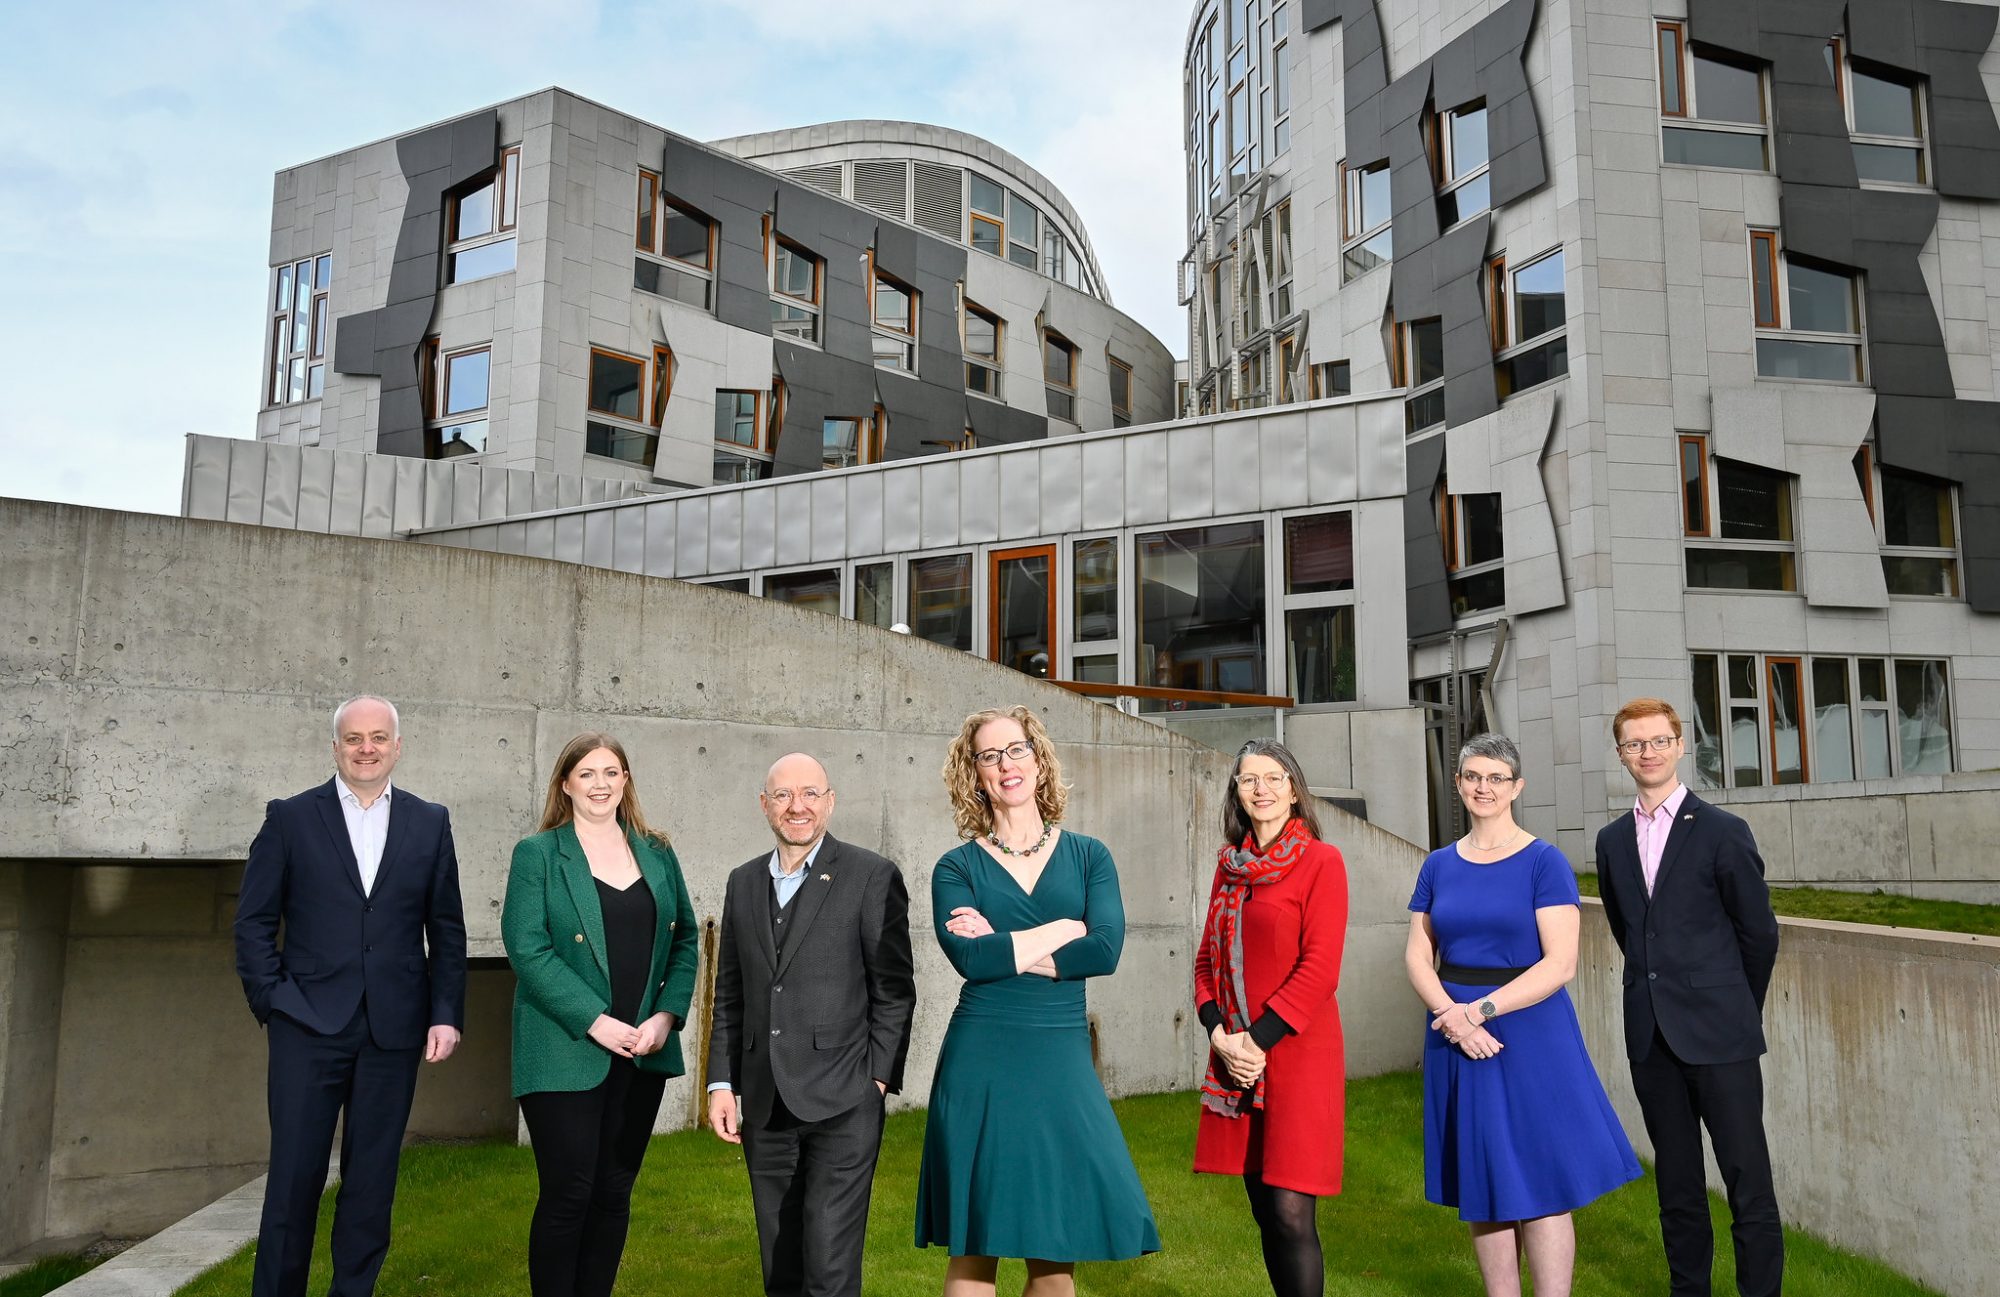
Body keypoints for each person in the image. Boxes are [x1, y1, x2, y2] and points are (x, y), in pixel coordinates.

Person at [917, 705, 1159, 1296]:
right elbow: (972, 960)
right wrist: (1064, 929)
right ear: (974, 774)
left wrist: (1009, 946)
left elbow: (1105, 952)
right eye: (990, 756)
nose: (1006, 765)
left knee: (1055, 1248)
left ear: (1039, 760)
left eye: (1017, 749)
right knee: (977, 1246)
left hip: (1058, 1055)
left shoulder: (1089, 855)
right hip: (983, 1056)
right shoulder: (956, 866)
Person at [233, 694, 467, 1297]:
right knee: (293, 1179)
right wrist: (273, 1000)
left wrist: (445, 1015)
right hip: (306, 1026)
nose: (367, 748)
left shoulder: (429, 820)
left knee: (371, 1183)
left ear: (397, 746)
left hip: (393, 1029)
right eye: (355, 738)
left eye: (379, 738)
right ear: (334, 746)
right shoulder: (289, 817)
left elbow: (445, 928)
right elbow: (254, 921)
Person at [1405, 731, 1639, 1297]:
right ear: (1459, 784)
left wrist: (1479, 1012)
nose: (1484, 787)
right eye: (1473, 777)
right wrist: (1452, 1017)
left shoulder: (1544, 861)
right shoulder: (1437, 865)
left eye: (1496, 778)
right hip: (1453, 1029)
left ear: (1517, 787)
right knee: (1481, 1177)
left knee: (1541, 1176)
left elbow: (1560, 963)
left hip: (1528, 1028)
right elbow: (1417, 953)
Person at [706, 752, 917, 1297]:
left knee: (829, 1266)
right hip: (763, 1099)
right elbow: (729, 991)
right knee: (781, 1268)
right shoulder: (742, 881)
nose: (796, 807)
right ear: (764, 804)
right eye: (782, 795)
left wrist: (875, 1081)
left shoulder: (872, 876)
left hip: (845, 1100)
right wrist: (721, 1081)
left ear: (829, 801)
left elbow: (893, 989)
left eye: (809, 794)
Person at [1595, 699, 1782, 1297]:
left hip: (1721, 1037)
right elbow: (1631, 933)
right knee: (1676, 1189)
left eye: (1657, 741)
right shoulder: (1612, 840)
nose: (1646, 753)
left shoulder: (1724, 831)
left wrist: (1732, 1006)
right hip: (1652, 1041)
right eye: (1633, 744)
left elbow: (1758, 935)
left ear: (1679, 745)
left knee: (1748, 1185)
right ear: (1621, 754)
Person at [502, 733, 700, 1297]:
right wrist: (595, 1020)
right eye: (587, 773)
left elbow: (685, 937)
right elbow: (526, 948)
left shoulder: (656, 851)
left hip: (643, 1049)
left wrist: (666, 1016)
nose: (600, 784)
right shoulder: (538, 854)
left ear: (626, 781)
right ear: (565, 783)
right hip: (564, 1048)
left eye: (611, 772)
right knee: (570, 1192)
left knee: (614, 1192)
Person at [1193, 739, 1348, 1297]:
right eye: (1249, 780)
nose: (1261, 789)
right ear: (1236, 793)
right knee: (1262, 1206)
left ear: (1294, 789)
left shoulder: (1320, 862)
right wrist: (1221, 1036)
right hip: (1236, 1056)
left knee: (1290, 1211)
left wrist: (1255, 1042)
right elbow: (1206, 960)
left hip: (1297, 1054)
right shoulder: (1228, 866)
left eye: (1273, 778)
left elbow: (1320, 969)